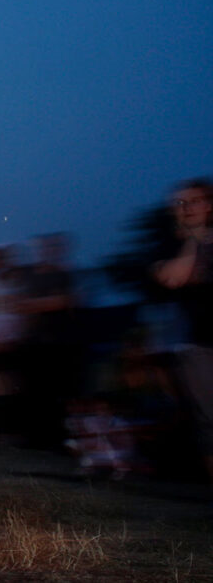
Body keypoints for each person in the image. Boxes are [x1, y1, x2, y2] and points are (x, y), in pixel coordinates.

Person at [153, 178, 213, 483]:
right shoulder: (171, 244)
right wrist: (193, 239)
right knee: (208, 421)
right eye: (179, 203)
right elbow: (174, 278)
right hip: (198, 343)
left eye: (194, 201)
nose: (187, 208)